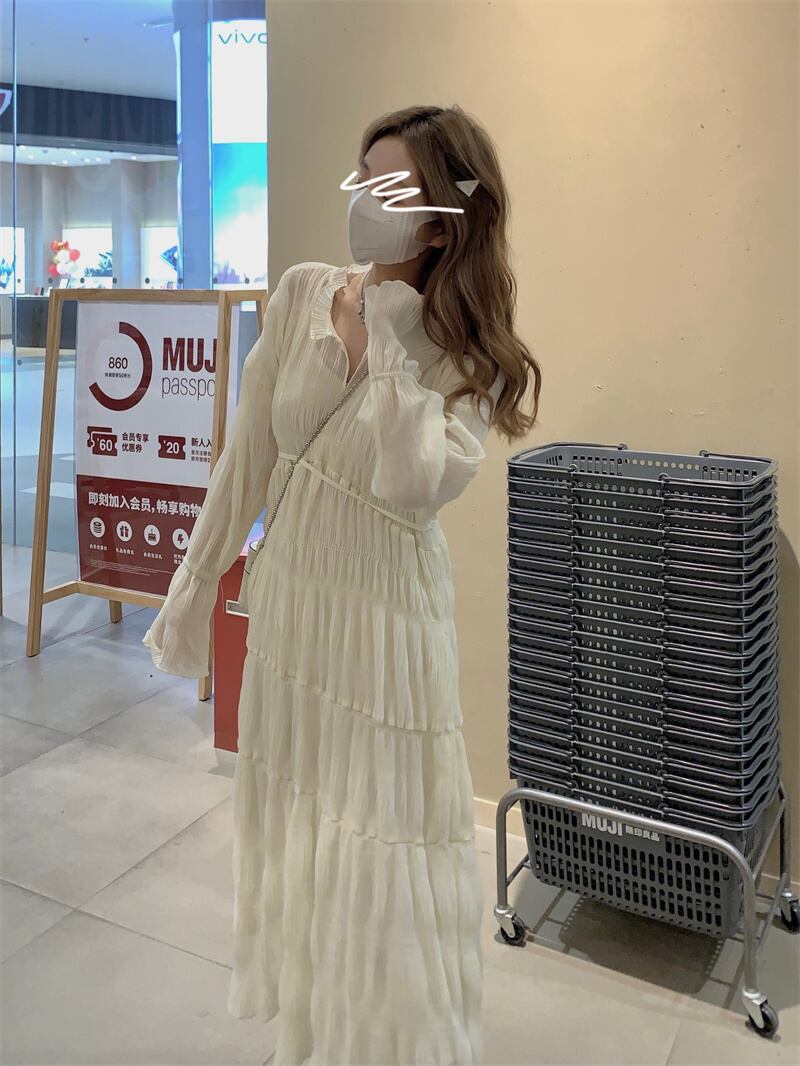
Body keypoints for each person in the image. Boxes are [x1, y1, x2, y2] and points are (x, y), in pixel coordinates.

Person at [143, 104, 541, 1066]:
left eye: (390, 187)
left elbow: (411, 485)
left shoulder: (469, 353)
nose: (363, 199)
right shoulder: (300, 295)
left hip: (386, 627)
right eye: (362, 176)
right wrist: (194, 589)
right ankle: (317, 1039)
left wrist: (396, 338)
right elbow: (248, 456)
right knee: (304, 838)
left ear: (441, 222)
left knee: (382, 854)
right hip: (293, 612)